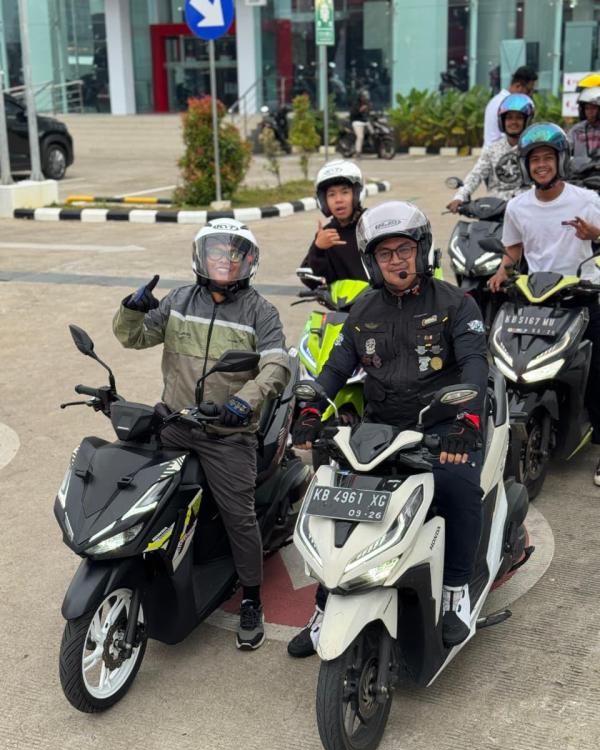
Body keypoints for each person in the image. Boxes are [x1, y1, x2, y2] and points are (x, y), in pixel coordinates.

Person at [288, 200, 489, 656]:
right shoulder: (363, 308)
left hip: (443, 427)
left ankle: (456, 590)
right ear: (371, 261)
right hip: (381, 430)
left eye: (404, 250)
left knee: (458, 488)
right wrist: (310, 411)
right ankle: (325, 604)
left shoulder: (456, 303)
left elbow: (475, 365)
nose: (396, 260)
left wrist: (467, 421)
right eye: (385, 253)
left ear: (421, 249)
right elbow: (335, 369)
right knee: (337, 501)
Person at [113, 219, 290, 649]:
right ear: (201, 257)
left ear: (248, 261)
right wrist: (132, 309)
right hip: (175, 423)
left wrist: (243, 402)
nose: (224, 260)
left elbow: (277, 364)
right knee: (133, 486)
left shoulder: (260, 311)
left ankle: (251, 598)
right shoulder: (178, 300)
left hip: (227, 433)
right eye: (216, 252)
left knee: (239, 516)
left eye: (234, 253)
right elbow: (132, 338)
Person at [488, 123, 600, 485]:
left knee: (596, 373)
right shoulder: (518, 206)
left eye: (547, 158)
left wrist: (594, 234)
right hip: (537, 296)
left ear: (560, 161)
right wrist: (501, 272)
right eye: (534, 159)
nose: (541, 165)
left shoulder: (587, 200)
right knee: (515, 361)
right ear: (526, 165)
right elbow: (513, 250)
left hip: (582, 295)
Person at [447, 93, 535, 213]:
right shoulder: (492, 149)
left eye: (519, 118)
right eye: (509, 118)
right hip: (495, 208)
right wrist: (460, 196)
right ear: (502, 121)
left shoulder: (533, 148)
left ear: (527, 120)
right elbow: (476, 175)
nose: (513, 122)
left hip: (525, 208)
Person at [298, 159, 369, 286]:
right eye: (331, 194)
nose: (338, 200)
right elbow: (312, 281)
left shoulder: (372, 224)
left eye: (345, 192)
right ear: (324, 200)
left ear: (356, 193)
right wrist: (318, 249)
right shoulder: (327, 235)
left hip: (379, 297)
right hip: (344, 299)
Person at [483, 66, 538, 147]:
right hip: (500, 151)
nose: (530, 95)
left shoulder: (496, 100)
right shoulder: (508, 104)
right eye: (529, 90)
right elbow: (511, 136)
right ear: (518, 86)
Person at [568, 87, 600, 159]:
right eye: (587, 108)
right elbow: (566, 147)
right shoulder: (577, 130)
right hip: (581, 166)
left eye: (593, 108)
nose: (589, 112)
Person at [350, 89, 373, 157]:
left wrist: (370, 108)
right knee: (360, 136)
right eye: (364, 97)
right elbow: (353, 113)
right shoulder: (356, 104)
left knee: (373, 132)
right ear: (360, 97)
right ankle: (358, 152)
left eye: (366, 97)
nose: (365, 98)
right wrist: (360, 110)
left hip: (365, 121)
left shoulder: (367, 103)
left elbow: (369, 111)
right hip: (357, 122)